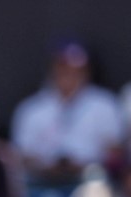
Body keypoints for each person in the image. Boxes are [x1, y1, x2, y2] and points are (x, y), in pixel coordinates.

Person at [12, 41, 125, 188]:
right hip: (42, 182)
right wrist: (50, 168)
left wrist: (81, 165)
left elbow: (115, 152)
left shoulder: (104, 105)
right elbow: (22, 156)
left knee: (97, 190)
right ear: (52, 69)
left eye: (76, 69)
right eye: (63, 67)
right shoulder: (31, 109)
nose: (69, 74)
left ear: (87, 71)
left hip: (89, 180)